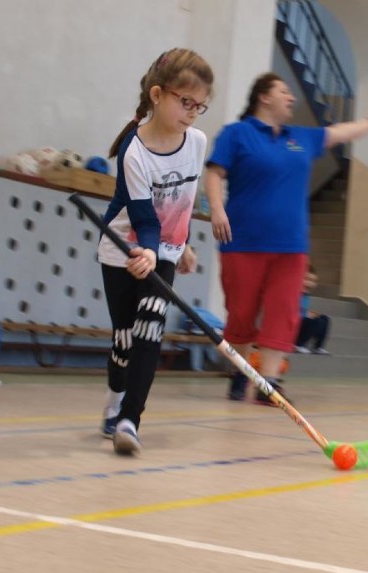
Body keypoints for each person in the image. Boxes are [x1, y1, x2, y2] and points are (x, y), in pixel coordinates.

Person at [205, 72, 368, 405]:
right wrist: (217, 210)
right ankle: (239, 372)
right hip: (242, 241)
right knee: (241, 312)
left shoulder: (301, 138)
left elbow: (336, 134)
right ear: (264, 97)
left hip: (290, 247)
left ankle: (270, 382)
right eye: (284, 91)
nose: (291, 97)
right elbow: (215, 173)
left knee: (284, 312)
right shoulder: (237, 135)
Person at [98, 49, 213, 455]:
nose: (193, 113)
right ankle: (114, 402)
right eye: (186, 102)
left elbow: (183, 200)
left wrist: (179, 246)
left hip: (160, 252)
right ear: (159, 94)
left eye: (201, 106)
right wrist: (147, 249)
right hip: (123, 248)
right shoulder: (135, 150)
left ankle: (129, 420)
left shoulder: (196, 141)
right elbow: (145, 218)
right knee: (125, 339)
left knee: (150, 329)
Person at [295, 265, 331, 355]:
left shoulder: (306, 296)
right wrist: (305, 316)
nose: (310, 283)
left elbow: (302, 310)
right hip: (293, 325)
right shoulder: (295, 294)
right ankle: (298, 344)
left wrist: (308, 314)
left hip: (301, 321)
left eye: (313, 281)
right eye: (307, 279)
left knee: (324, 319)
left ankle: (318, 347)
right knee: (315, 321)